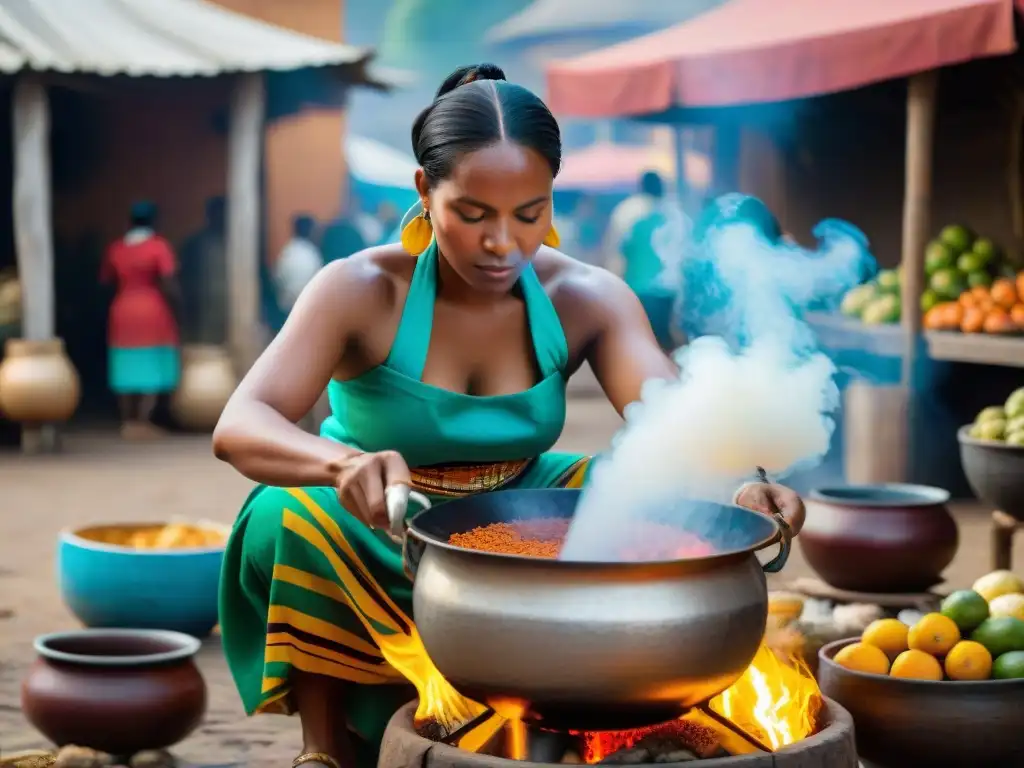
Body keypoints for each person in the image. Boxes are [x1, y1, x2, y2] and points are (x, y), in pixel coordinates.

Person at [213, 64, 806, 768]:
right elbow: (239, 424)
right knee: (288, 516)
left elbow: (679, 421)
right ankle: (326, 745)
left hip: (515, 519)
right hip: (377, 523)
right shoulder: (359, 288)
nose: (503, 243)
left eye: (529, 214)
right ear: (425, 193)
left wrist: (744, 480)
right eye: (472, 214)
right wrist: (343, 465)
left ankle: (570, 704)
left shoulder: (587, 295)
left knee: (639, 490)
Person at [100, 201, 180, 440]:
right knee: (152, 364)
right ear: (154, 221)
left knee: (124, 362)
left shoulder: (116, 249)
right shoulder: (158, 247)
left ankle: (128, 421)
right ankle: (144, 421)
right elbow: (169, 281)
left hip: (122, 309)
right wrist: (179, 307)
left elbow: (105, 281)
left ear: (129, 221)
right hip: (152, 309)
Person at [273, 214, 324, 315]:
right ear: (310, 231)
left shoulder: (286, 252)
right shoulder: (313, 254)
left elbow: (277, 279)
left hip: (285, 309)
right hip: (307, 310)